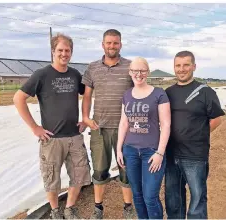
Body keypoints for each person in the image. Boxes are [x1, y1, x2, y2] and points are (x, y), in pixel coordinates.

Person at [13, 33, 91, 219]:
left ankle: (69, 207)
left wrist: (85, 118)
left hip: (74, 136)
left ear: (71, 52)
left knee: (79, 175)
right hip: (52, 139)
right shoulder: (42, 75)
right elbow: (18, 98)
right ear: (53, 51)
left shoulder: (74, 74)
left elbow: (87, 93)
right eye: (60, 50)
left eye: (68, 50)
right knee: (51, 178)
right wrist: (35, 128)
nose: (64, 54)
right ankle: (55, 211)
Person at [82, 29, 135, 219]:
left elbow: (139, 92)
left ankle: (128, 207)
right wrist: (86, 118)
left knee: (127, 169)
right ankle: (98, 208)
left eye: (115, 43)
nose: (112, 46)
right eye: (108, 42)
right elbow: (87, 95)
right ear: (102, 44)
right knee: (99, 170)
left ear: (120, 44)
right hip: (100, 128)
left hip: (126, 130)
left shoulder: (130, 66)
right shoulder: (92, 67)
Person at [165, 50, 225, 219]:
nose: (181, 69)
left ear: (194, 66)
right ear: (174, 67)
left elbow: (217, 119)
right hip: (171, 154)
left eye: (186, 65)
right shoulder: (168, 92)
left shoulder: (205, 92)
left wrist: (198, 135)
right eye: (178, 65)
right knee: (173, 198)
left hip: (195, 156)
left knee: (197, 199)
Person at [116, 57, 171, 219]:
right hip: (131, 151)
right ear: (130, 72)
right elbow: (124, 123)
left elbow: (166, 125)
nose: (138, 74)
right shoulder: (127, 95)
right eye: (135, 71)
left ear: (147, 72)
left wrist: (160, 153)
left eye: (142, 71)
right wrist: (119, 149)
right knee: (137, 195)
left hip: (152, 152)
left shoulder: (159, 94)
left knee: (150, 197)